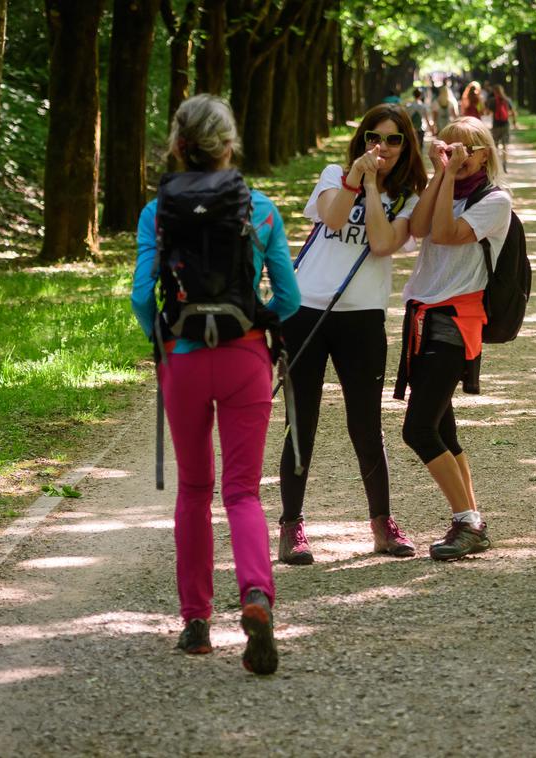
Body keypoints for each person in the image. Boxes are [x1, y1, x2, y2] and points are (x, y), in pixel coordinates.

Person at [131, 95, 299, 672]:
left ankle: (197, 623)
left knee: (194, 491)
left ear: (178, 145)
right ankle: (255, 595)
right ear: (231, 145)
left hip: (182, 359)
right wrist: (262, 317)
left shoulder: (157, 212)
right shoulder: (262, 210)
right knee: (243, 492)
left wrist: (165, 335)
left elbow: (139, 296)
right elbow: (291, 299)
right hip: (245, 356)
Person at [277, 103, 427, 565]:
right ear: (361, 140)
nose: (382, 147)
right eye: (373, 137)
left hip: (362, 317)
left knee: (365, 424)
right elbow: (335, 219)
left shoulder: (408, 198)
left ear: (407, 147)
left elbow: (382, 243)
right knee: (301, 422)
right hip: (306, 311)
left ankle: (382, 525)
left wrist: (376, 190)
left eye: (394, 139)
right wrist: (354, 181)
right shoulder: (331, 175)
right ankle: (291, 528)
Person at [396, 117, 512, 561]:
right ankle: (471, 518)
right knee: (443, 428)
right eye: (448, 146)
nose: (456, 155)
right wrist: (441, 173)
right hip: (424, 318)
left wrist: (448, 173)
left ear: (485, 153)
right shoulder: (446, 186)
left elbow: (446, 233)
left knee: (419, 429)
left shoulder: (495, 201)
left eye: (466, 149)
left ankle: (468, 522)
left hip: (455, 321)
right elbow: (422, 228)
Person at [485, 84, 518, 171]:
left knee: (495, 146)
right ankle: (504, 164)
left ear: (495, 92)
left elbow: (487, 113)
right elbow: (513, 112)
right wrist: (514, 123)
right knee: (505, 145)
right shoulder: (507, 100)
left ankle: (496, 164)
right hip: (505, 125)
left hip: (496, 125)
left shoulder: (492, 101)